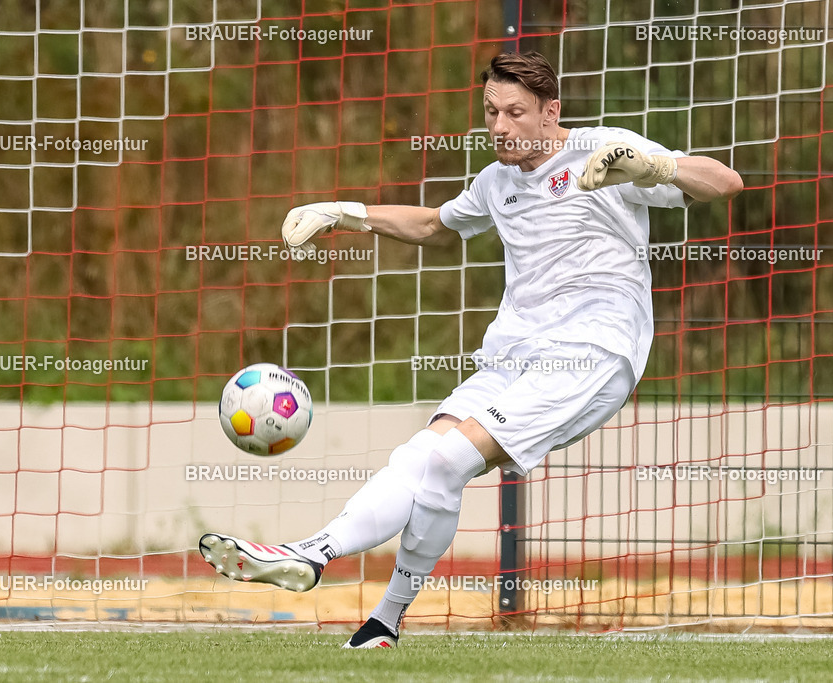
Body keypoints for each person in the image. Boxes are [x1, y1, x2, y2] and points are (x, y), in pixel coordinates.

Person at [199, 51, 742, 648]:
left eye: (515, 112)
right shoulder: (496, 181)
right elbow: (433, 224)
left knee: (446, 460)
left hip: (593, 349)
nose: (500, 126)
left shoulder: (603, 147)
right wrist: (346, 214)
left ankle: (315, 551)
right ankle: (382, 620)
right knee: (420, 459)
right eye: (491, 112)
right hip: (512, 354)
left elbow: (724, 182)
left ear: (550, 112)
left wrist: (652, 166)